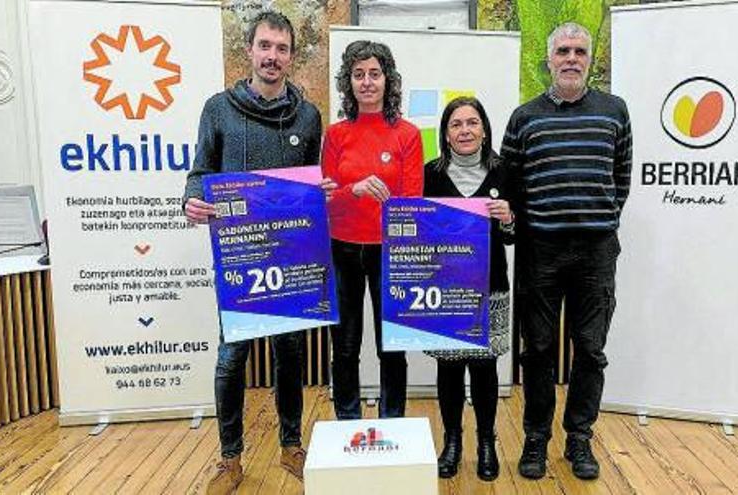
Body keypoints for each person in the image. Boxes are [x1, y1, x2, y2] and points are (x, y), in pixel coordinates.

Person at [182, 11, 333, 494]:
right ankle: (230, 458)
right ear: (249, 50)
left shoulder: (308, 116)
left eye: (282, 48)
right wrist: (190, 199)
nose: (273, 56)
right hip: (239, 258)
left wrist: (320, 195)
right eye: (265, 46)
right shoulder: (217, 109)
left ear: (291, 56)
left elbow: (313, 179)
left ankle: (291, 444)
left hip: (289, 258)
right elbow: (198, 172)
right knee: (231, 358)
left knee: (290, 355)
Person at [500, 23, 632, 481]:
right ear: (549, 59)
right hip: (541, 251)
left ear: (589, 60)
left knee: (591, 351)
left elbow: (622, 178)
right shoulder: (524, 117)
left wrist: (598, 218)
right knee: (536, 349)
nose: (571, 58)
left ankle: (579, 438)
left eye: (579, 51)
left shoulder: (615, 112)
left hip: (596, 252)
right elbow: (509, 185)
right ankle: (536, 437)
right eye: (563, 51)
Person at [321, 40, 423, 420]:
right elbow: (326, 199)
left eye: (374, 74)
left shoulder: (407, 135)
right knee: (345, 346)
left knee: (390, 345)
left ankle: (391, 419)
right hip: (341, 248)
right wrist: (355, 190)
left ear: (388, 80)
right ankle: (348, 421)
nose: (367, 82)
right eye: (358, 74)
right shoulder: (336, 134)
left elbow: (411, 201)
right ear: (348, 82)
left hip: (389, 251)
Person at [424, 97, 514, 481]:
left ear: (484, 129)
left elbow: (512, 237)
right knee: (448, 366)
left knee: (484, 368)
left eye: (472, 123)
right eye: (457, 124)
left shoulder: (504, 172)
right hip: (444, 289)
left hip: (491, 284)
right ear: (446, 133)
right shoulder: (429, 174)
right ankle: (453, 442)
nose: (465, 130)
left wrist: (509, 217)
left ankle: (486, 442)